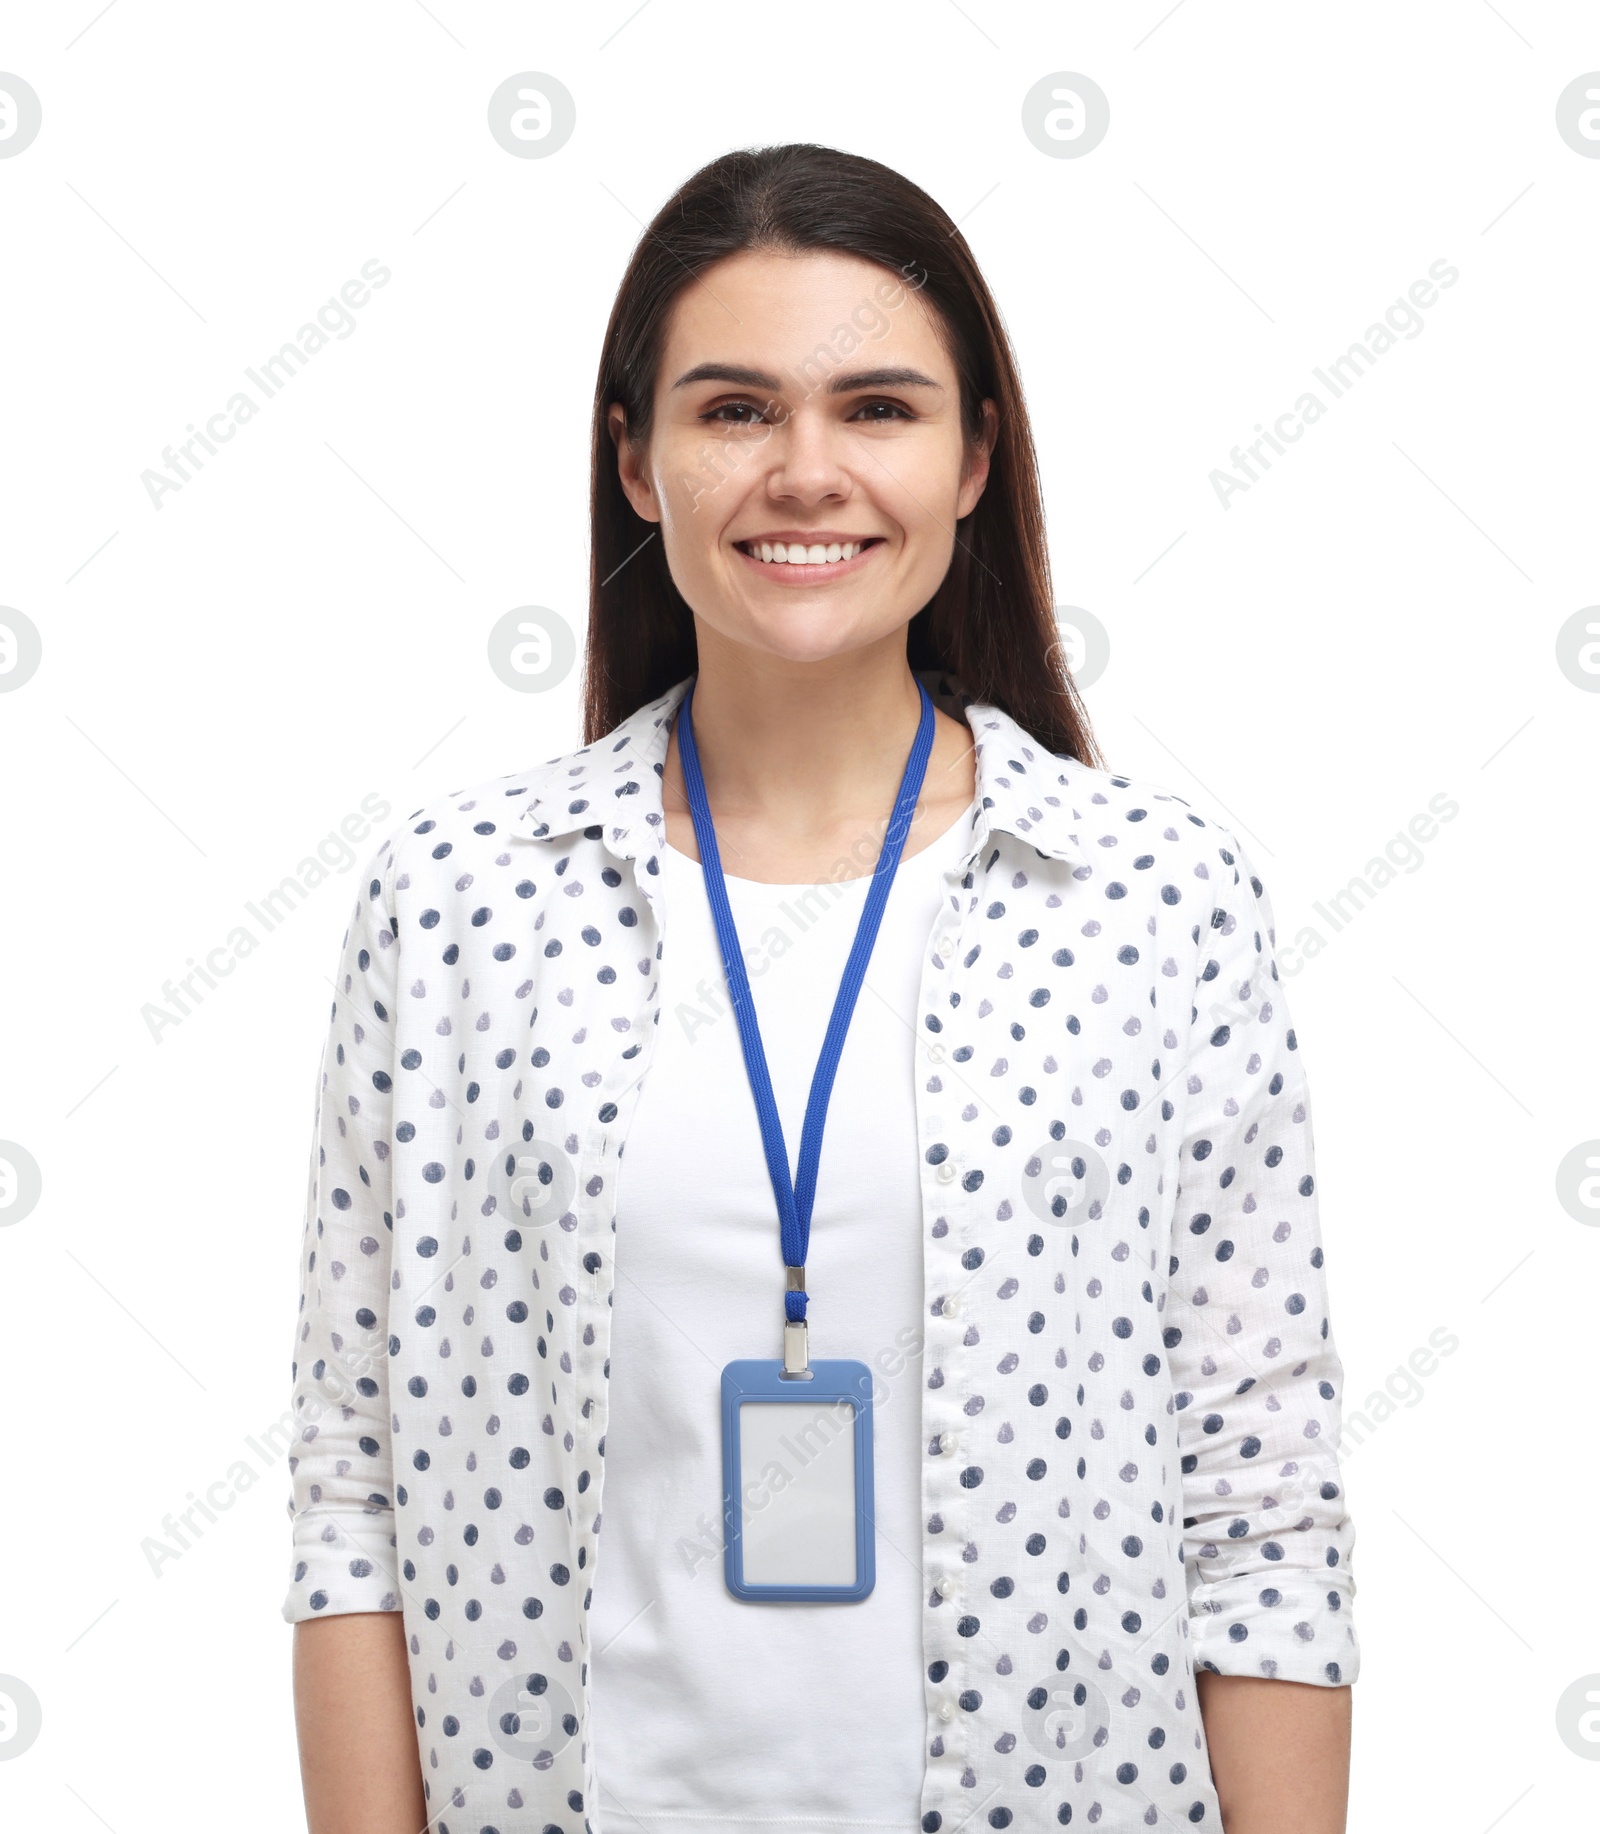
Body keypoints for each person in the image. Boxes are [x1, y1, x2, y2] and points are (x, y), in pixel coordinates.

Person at [285, 143, 1359, 1834]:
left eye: (877, 408)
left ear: (974, 456)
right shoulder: (458, 902)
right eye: (731, 411)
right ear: (633, 462)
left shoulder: (1156, 897)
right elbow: (358, 1488)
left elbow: (1262, 1490)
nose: (805, 471)